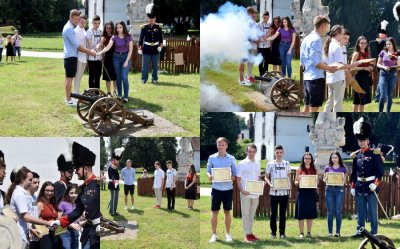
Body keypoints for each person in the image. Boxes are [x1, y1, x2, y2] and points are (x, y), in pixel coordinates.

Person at [53, 141, 100, 249]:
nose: (75, 172)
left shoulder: (98, 183)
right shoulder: (81, 189)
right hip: (87, 232)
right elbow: (77, 210)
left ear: (86, 168)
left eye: (77, 169)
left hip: (98, 232)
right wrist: (60, 221)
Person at [350, 118, 384, 237]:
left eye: (364, 140)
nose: (362, 142)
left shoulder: (374, 153)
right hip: (359, 187)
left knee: (372, 212)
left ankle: (374, 232)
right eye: (360, 140)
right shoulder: (356, 155)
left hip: (371, 187)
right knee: (361, 211)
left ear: (368, 140)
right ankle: (360, 231)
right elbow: (354, 173)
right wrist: (353, 186)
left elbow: (380, 171)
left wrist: (376, 183)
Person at [6, 167, 53, 248]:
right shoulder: (20, 194)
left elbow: (32, 214)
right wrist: (47, 223)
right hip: (19, 235)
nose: (34, 183)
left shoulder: (32, 197)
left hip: (27, 234)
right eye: (31, 180)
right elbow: (26, 217)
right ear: (22, 179)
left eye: (38, 182)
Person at [300, 15, 337, 112]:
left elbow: (302, 60)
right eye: (328, 26)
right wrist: (329, 68)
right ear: (323, 26)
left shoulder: (306, 38)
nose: (328, 29)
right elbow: (316, 62)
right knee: (314, 109)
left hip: (307, 77)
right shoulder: (316, 40)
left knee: (306, 107)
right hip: (316, 78)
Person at [62, 9, 96, 106]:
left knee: (69, 78)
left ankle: (69, 98)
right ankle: (69, 100)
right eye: (76, 19)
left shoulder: (69, 27)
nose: (78, 21)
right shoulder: (69, 29)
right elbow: (77, 46)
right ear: (71, 18)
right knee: (69, 78)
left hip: (71, 56)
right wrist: (90, 52)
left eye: (78, 19)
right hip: (71, 56)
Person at [206, 137, 237, 243]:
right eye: (219, 144)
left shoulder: (232, 158)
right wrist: (209, 176)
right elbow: (207, 171)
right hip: (216, 189)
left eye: (223, 144)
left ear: (226, 146)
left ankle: (228, 235)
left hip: (228, 189)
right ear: (216, 145)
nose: (220, 146)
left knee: (227, 212)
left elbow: (235, 174)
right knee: (214, 212)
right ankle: (214, 235)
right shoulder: (211, 157)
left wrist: (231, 178)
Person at [323, 25, 360, 112]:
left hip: (330, 78)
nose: (343, 36)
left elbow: (325, 63)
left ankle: (324, 117)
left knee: (330, 102)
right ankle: (335, 121)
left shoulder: (328, 44)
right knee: (337, 104)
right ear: (337, 33)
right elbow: (340, 65)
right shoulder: (337, 47)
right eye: (342, 34)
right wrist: (353, 65)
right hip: (338, 78)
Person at [97, 21, 133, 102]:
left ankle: (126, 96)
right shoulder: (114, 36)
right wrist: (100, 52)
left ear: (123, 27)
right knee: (118, 77)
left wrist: (127, 61)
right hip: (116, 58)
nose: (119, 29)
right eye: (117, 27)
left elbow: (131, 50)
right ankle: (119, 95)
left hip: (125, 57)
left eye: (120, 27)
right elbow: (108, 47)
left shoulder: (128, 36)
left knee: (124, 77)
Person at [236, 144, 261, 242]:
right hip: (245, 193)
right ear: (246, 152)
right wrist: (242, 190)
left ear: (255, 152)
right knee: (246, 214)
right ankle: (247, 235)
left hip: (256, 194)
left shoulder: (258, 164)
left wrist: (260, 187)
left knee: (252, 214)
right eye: (249, 151)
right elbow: (238, 179)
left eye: (253, 151)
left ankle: (250, 233)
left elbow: (258, 178)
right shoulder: (242, 163)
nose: (251, 153)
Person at [264, 145, 291, 239]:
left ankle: (282, 233)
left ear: (283, 153)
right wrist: (271, 184)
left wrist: (288, 186)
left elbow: (288, 177)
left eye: (280, 152)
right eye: (277, 152)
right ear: (275, 153)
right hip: (273, 193)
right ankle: (273, 233)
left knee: (283, 214)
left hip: (284, 193)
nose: (279, 154)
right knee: (273, 213)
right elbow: (266, 177)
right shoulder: (270, 164)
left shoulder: (287, 163)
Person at [294, 152, 318, 239]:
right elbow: (295, 183)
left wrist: (316, 182)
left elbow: (317, 183)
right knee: (301, 215)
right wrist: (299, 180)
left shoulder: (314, 169)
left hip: (311, 193)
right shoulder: (299, 169)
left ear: (311, 160)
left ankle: (309, 232)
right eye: (305, 158)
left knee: (310, 214)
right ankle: (301, 233)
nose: (307, 160)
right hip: (302, 194)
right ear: (303, 159)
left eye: (309, 158)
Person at [324, 152, 347, 237]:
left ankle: (337, 232)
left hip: (339, 190)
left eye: (335, 157)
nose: (334, 159)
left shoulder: (343, 168)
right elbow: (324, 180)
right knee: (330, 212)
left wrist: (343, 179)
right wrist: (325, 178)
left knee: (338, 211)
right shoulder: (327, 168)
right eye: (332, 157)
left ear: (339, 158)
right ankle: (330, 232)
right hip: (329, 190)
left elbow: (344, 182)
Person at [138, 3, 163, 84]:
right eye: (150, 19)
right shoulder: (144, 27)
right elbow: (141, 39)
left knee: (155, 66)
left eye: (153, 19)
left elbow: (161, 39)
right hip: (146, 49)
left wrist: (160, 46)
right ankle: (144, 79)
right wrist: (139, 48)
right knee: (145, 66)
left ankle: (154, 78)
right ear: (148, 19)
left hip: (155, 49)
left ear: (155, 18)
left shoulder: (158, 27)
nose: (151, 20)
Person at [376, 37, 400, 112]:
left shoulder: (397, 53)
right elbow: (378, 64)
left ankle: (387, 112)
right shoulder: (383, 52)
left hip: (393, 74)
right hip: (383, 74)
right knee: (383, 96)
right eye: (386, 44)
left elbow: (398, 67)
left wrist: (397, 59)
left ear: (393, 44)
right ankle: (380, 112)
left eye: (389, 44)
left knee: (390, 96)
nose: (388, 45)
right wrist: (384, 67)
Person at [351, 36, 373, 112]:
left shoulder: (367, 53)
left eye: (365, 43)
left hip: (365, 78)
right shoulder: (356, 53)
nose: (363, 44)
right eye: (361, 43)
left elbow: (367, 65)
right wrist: (363, 68)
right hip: (358, 78)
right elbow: (351, 67)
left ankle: (360, 114)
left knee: (363, 101)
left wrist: (370, 67)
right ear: (358, 44)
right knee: (357, 101)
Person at [37, 181, 61, 248]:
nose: (50, 193)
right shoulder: (40, 204)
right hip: (45, 234)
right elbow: (35, 219)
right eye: (47, 190)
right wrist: (46, 224)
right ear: (43, 191)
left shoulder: (53, 204)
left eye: (52, 191)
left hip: (55, 233)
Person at [238, 6, 258, 86]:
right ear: (251, 13)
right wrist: (256, 40)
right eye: (253, 14)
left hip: (245, 44)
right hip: (245, 44)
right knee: (242, 62)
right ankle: (241, 80)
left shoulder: (246, 21)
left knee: (244, 62)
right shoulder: (249, 22)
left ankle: (244, 78)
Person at [58, 183, 80, 249]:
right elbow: (58, 218)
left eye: (75, 193)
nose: (74, 195)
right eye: (71, 193)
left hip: (76, 233)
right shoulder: (63, 204)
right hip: (65, 233)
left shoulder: (79, 205)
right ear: (67, 193)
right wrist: (71, 224)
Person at [98, 21, 117, 96]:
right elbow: (102, 48)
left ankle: (115, 91)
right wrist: (103, 58)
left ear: (112, 28)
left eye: (110, 28)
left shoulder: (115, 36)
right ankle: (109, 92)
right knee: (107, 76)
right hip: (107, 57)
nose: (108, 29)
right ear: (105, 28)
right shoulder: (104, 37)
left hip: (115, 57)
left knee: (115, 76)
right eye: (107, 28)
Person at [86, 15, 103, 89]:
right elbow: (89, 44)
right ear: (92, 23)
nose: (97, 25)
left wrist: (96, 49)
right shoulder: (89, 32)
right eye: (95, 23)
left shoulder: (101, 31)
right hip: (91, 57)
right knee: (92, 75)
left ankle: (97, 92)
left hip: (99, 57)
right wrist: (94, 50)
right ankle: (91, 91)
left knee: (98, 75)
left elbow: (101, 42)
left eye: (98, 23)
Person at [73, 14, 88, 94]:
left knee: (80, 76)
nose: (83, 24)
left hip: (84, 57)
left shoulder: (84, 30)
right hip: (78, 56)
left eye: (85, 23)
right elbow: (77, 46)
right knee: (77, 76)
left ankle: (77, 92)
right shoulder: (76, 31)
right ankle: (76, 93)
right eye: (82, 22)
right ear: (78, 21)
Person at [108, 147, 124, 216]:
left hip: (115, 184)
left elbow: (116, 177)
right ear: (114, 160)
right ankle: (113, 212)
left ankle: (112, 211)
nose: (118, 161)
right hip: (113, 184)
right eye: (117, 160)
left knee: (115, 199)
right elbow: (113, 177)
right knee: (114, 199)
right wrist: (116, 183)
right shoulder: (111, 167)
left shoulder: (115, 167)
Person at [28, 172, 41, 249]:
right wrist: (30, 228)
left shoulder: (35, 197)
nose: (37, 185)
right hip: (28, 234)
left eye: (38, 182)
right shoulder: (24, 196)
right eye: (35, 182)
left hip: (35, 234)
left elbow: (34, 214)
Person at [257, 11, 271, 76]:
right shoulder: (258, 25)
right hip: (260, 46)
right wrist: (265, 36)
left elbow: (269, 35)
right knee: (260, 61)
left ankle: (265, 74)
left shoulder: (269, 25)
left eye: (267, 18)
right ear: (262, 17)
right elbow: (259, 36)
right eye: (265, 18)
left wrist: (265, 37)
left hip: (267, 46)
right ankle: (261, 75)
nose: (266, 19)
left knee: (267, 61)